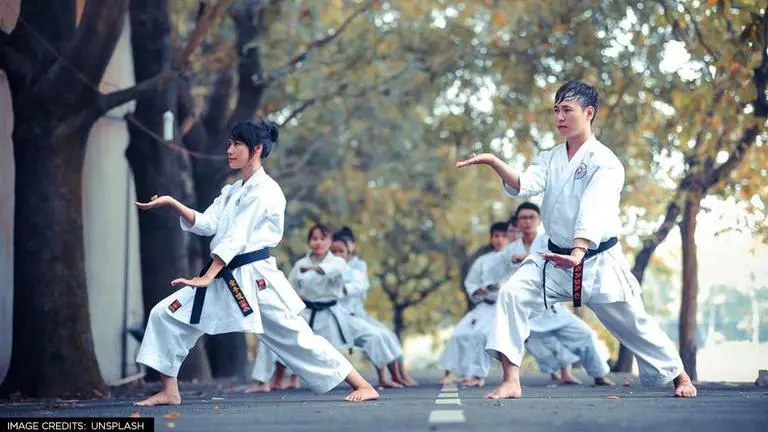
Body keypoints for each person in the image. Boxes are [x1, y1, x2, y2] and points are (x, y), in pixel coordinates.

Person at [455, 80, 697, 399]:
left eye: (567, 110)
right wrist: (492, 161)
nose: (560, 117)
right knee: (512, 294)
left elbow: (593, 208)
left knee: (633, 323)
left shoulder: (606, 162)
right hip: (554, 259)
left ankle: (680, 375)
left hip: (597, 262)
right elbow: (524, 183)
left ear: (589, 112)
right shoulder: (550, 158)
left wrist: (580, 249)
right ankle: (511, 380)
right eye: (556, 110)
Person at [133, 119, 378, 405]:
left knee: (295, 338)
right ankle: (169, 390)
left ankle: (363, 385)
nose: (230, 150)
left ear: (257, 149)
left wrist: (208, 275)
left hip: (254, 279)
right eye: (229, 144)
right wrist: (172, 203)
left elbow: (236, 238)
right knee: (165, 314)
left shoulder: (265, 191)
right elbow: (208, 223)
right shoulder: (234, 190)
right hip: (225, 275)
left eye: (237, 144)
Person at [247, 225, 401, 391]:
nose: (318, 242)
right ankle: (264, 382)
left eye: (323, 238)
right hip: (306, 312)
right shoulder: (300, 264)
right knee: (275, 332)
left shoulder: (338, 262)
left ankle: (383, 377)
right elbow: (290, 287)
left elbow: (338, 274)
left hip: (332, 315)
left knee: (374, 335)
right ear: (309, 242)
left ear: (330, 241)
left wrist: (317, 271)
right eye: (314, 239)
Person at [494, 203, 614, 386]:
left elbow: (552, 258)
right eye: (522, 218)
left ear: (538, 220)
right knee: (540, 345)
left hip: (552, 305)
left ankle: (599, 374)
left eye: (531, 217)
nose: (527, 222)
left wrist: (526, 257)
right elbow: (500, 278)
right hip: (529, 310)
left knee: (585, 334)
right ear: (517, 222)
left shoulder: (548, 238)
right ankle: (550, 375)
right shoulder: (509, 251)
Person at [438, 222, 509, 385]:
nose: (499, 240)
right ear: (491, 239)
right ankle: (450, 372)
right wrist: (478, 291)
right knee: (460, 333)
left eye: (504, 236)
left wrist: (500, 287)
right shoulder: (482, 261)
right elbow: (471, 283)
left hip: (502, 308)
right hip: (483, 305)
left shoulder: (515, 258)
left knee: (481, 335)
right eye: (496, 236)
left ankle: (477, 376)